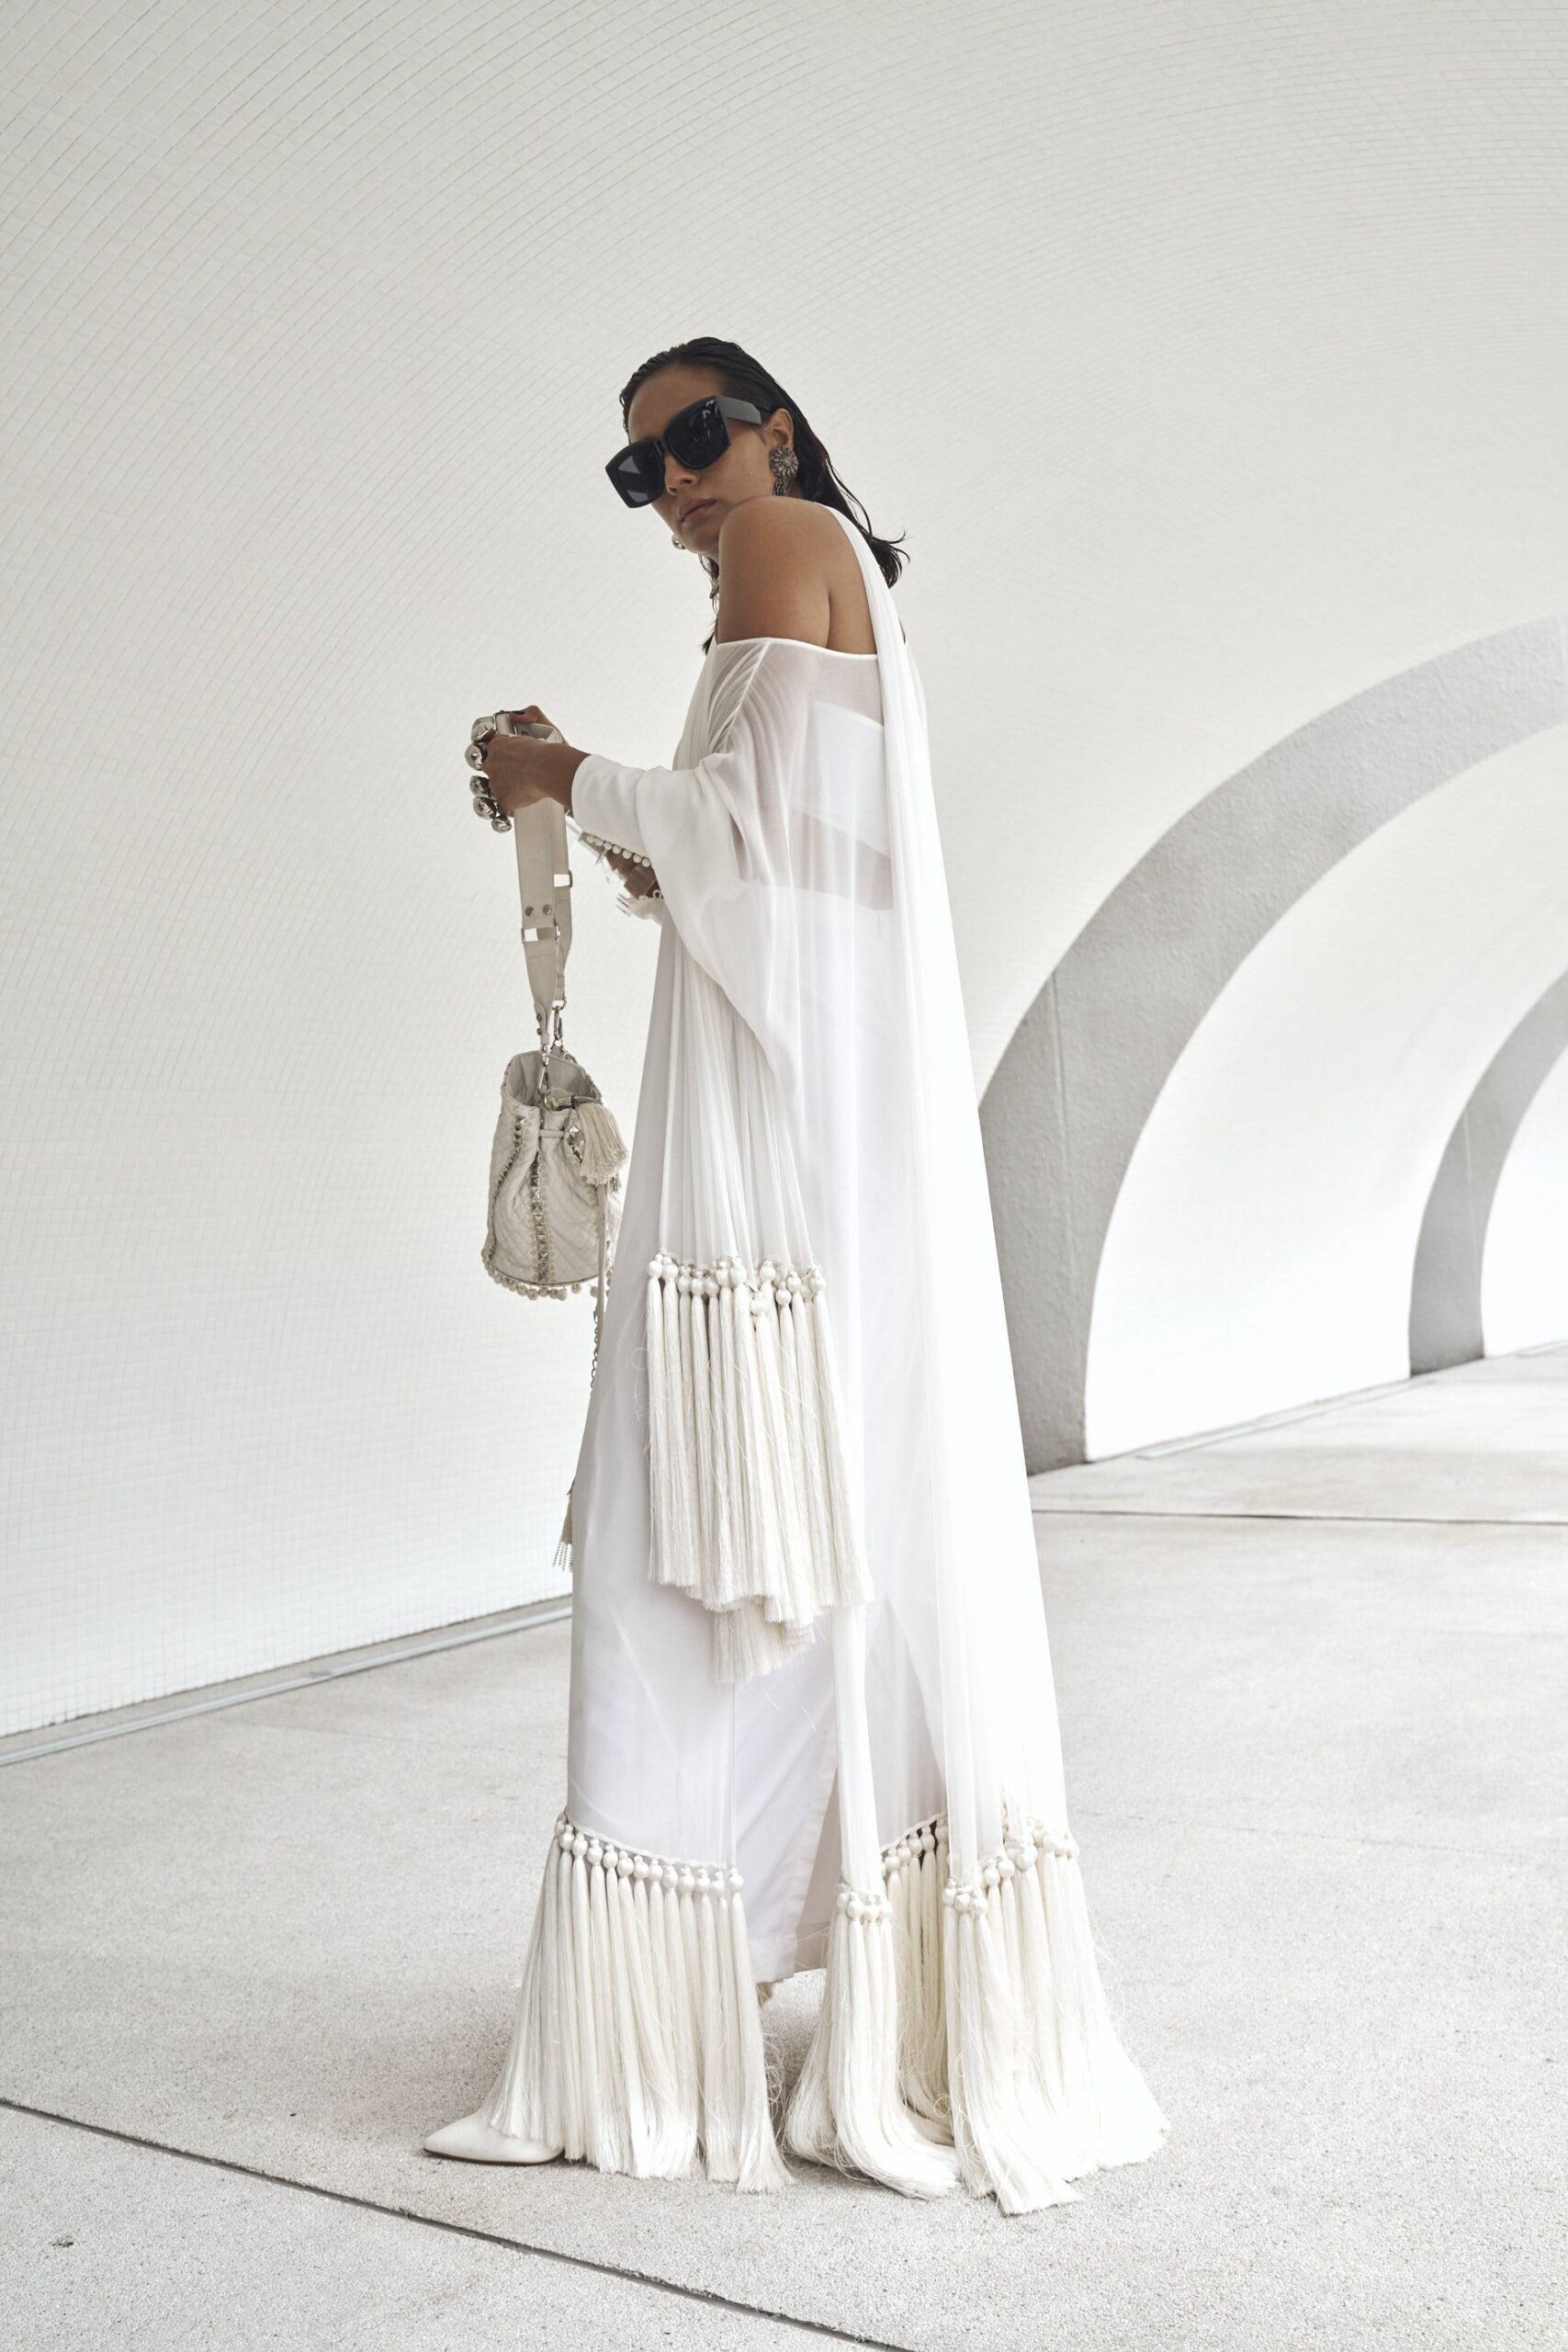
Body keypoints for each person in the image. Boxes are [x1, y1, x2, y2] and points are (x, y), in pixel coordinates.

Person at [423, 338, 1168, 2214]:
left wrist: (555, 770)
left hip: (764, 1139)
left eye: (691, 437)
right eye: (639, 468)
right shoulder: (842, 581)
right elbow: (801, 867)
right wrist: (637, 832)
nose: (674, 481)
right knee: (818, 1537)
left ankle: (651, 2030)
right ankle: (853, 1970)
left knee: (687, 1532)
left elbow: (732, 838)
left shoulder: (779, 534)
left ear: (769, 428)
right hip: (830, 1116)